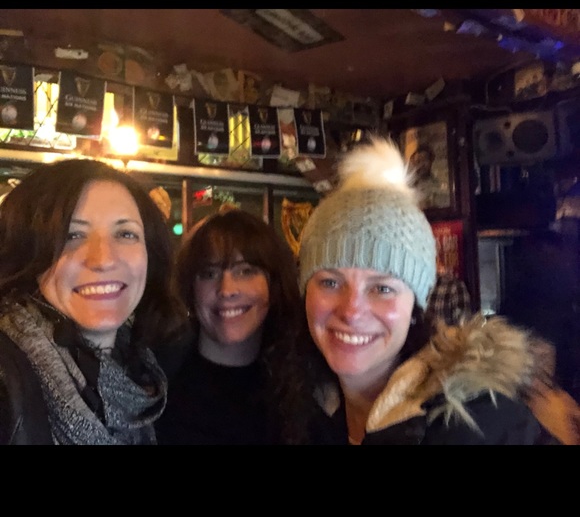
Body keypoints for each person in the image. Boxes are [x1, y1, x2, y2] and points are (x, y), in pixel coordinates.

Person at [298, 136, 563, 445]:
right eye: (330, 282)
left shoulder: (477, 424)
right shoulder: (303, 408)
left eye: (382, 288)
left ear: (416, 305)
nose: (351, 310)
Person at [0, 158, 187, 445]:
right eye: (72, 235)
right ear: (29, 251)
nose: (104, 259)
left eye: (125, 234)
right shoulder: (6, 380)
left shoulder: (142, 372)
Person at [155, 207, 326, 445]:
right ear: (190, 289)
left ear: (274, 284)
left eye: (245, 271)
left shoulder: (304, 391)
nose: (226, 290)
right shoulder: (156, 388)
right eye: (209, 273)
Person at [409, 143, 447, 209]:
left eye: (424, 160)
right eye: (418, 161)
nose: (421, 165)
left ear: (431, 162)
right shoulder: (408, 185)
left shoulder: (438, 185)